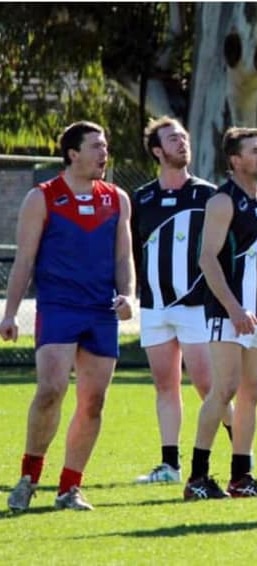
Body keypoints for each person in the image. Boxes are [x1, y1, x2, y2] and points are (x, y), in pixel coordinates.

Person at [3, 121, 134, 511]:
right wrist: (9, 314)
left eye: (105, 145)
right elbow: (24, 260)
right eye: (95, 146)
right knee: (51, 389)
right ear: (72, 153)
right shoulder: (42, 197)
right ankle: (28, 478)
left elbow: (123, 256)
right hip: (58, 308)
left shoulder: (117, 198)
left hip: (100, 311)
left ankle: (70, 488)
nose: (103, 153)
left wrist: (127, 295)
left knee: (93, 402)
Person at [182, 126, 257, 500]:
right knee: (225, 388)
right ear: (235, 160)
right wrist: (233, 308)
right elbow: (207, 258)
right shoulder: (222, 201)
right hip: (227, 311)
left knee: (252, 391)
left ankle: (241, 478)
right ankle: (197, 477)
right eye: (254, 150)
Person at [131, 116, 233, 484]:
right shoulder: (142, 198)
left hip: (196, 307)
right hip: (155, 307)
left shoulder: (208, 195)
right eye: (172, 139)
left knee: (208, 385)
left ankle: (241, 458)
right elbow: (132, 252)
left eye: (183, 137)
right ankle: (169, 466)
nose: (181, 143)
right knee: (165, 385)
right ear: (157, 151)